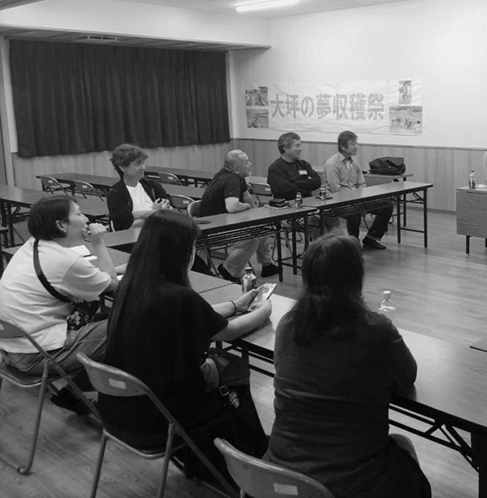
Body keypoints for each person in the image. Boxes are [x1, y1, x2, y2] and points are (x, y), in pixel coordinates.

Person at [100, 210, 271, 478]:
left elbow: (200, 314)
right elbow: (228, 332)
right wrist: (264, 310)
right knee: (234, 369)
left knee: (217, 365)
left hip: (120, 412)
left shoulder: (132, 286)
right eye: (192, 245)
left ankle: (212, 454)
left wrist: (235, 305)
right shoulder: (178, 296)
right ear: (178, 251)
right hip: (161, 418)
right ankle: (251, 450)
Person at [266, 234, 431, 498]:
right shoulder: (376, 329)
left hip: (279, 477)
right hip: (351, 484)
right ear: (356, 276)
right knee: (408, 461)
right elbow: (407, 376)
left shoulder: (288, 324)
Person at [0, 195, 119, 414]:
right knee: (129, 325)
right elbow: (111, 283)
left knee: (105, 320)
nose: (86, 219)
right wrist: (98, 242)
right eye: (79, 214)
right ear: (61, 225)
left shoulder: (33, 245)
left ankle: (74, 393)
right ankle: (108, 399)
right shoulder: (66, 261)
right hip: (38, 356)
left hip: (12, 348)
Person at [197, 149, 279, 281]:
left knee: (261, 227)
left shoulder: (233, 175)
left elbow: (246, 195)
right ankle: (227, 270)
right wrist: (247, 207)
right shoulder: (231, 179)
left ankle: (267, 265)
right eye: (247, 162)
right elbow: (232, 206)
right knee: (250, 241)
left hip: (224, 221)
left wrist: (257, 213)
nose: (250, 164)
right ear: (236, 169)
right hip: (212, 228)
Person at [323, 130, 394, 250]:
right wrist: (357, 204)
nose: (356, 146)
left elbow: (361, 184)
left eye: (356, 143)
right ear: (343, 147)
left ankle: (371, 238)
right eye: (353, 144)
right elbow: (336, 191)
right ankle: (354, 244)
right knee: (354, 211)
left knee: (387, 205)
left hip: (356, 200)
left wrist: (362, 201)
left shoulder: (355, 163)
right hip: (338, 202)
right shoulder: (332, 163)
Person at [107, 143, 172, 231]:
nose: (143, 167)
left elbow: (169, 212)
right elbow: (126, 228)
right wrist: (154, 213)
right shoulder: (115, 194)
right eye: (138, 164)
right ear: (122, 167)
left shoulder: (153, 186)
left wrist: (139, 215)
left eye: (143, 163)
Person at [267, 132, 322, 200]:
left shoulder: (304, 164)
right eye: (297, 146)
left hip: (308, 203)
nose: (300, 149)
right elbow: (286, 191)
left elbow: (317, 182)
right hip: (287, 205)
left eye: (300, 145)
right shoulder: (275, 168)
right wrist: (307, 185)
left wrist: (297, 183)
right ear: (286, 148)